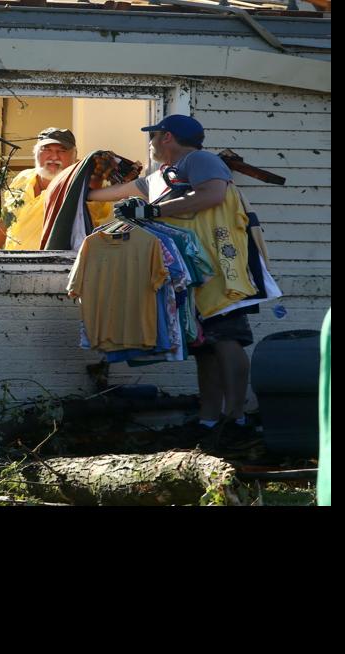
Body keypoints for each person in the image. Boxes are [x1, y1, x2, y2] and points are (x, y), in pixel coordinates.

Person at [87, 114, 260, 450]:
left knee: (226, 339)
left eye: (153, 137)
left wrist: (154, 213)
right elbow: (104, 195)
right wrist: (73, 185)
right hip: (193, 273)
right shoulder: (161, 178)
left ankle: (237, 418)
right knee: (205, 348)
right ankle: (209, 419)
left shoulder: (200, 159)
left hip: (222, 269)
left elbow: (212, 195)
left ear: (167, 137)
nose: (150, 144)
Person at [0, 127, 114, 250]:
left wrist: (97, 177)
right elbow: (5, 220)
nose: (54, 157)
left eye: (62, 151)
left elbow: (93, 204)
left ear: (75, 157)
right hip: (10, 266)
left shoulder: (80, 185)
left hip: (54, 268)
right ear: (35, 153)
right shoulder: (22, 178)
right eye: (46, 149)